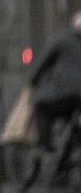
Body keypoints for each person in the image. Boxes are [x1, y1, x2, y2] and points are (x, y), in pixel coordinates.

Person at [30, 12, 81, 152]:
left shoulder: (62, 39)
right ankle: (73, 142)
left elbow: (43, 62)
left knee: (41, 108)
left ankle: (47, 149)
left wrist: (33, 79)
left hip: (66, 92)